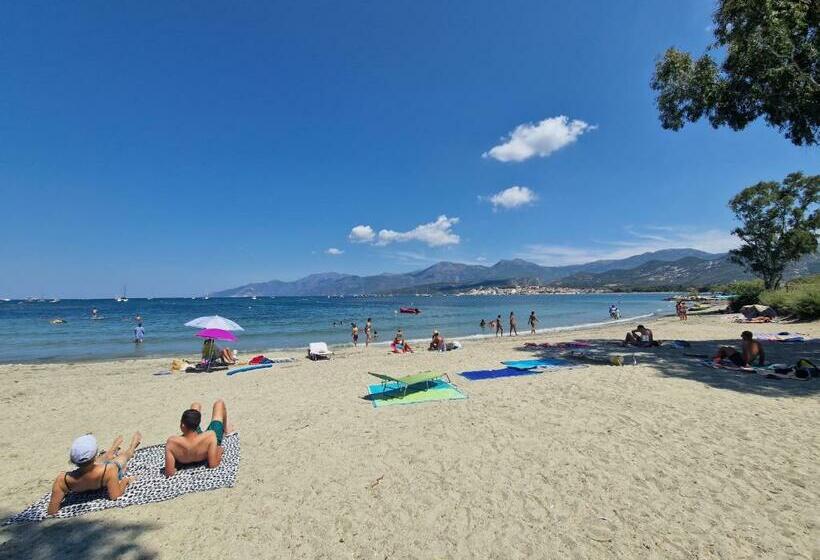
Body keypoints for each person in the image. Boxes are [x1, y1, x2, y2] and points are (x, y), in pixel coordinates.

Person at [47, 432, 142, 515]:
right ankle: (133, 445)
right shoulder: (109, 470)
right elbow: (115, 496)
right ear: (95, 452)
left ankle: (111, 450)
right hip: (104, 473)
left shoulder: (62, 480)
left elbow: (52, 510)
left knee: (97, 462)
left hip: (94, 470)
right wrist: (126, 480)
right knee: (124, 456)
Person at [164, 400, 231, 477]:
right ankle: (226, 429)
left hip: (190, 451)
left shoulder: (172, 442)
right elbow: (213, 464)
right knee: (219, 404)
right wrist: (219, 451)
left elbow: (169, 472)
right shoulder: (211, 435)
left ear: (182, 425)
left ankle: (195, 409)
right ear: (197, 425)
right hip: (204, 441)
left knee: (195, 405)